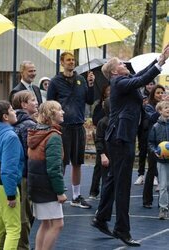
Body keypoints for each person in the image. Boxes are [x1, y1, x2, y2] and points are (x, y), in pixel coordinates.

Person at [91, 47, 169, 247]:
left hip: (118, 137)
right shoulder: (119, 82)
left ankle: (101, 218)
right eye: (120, 63)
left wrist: (160, 60)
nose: (124, 64)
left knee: (113, 180)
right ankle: (122, 230)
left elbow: (141, 76)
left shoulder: (123, 81)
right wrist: (159, 63)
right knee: (123, 185)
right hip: (120, 138)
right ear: (114, 72)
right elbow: (140, 80)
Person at [47, 51, 95, 209]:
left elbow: (89, 100)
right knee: (61, 163)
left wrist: (91, 85)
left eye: (73, 60)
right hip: (62, 128)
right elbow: (49, 105)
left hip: (78, 127)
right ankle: (56, 194)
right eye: (68, 60)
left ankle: (76, 196)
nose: (71, 62)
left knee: (77, 163)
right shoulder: (55, 81)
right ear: (62, 62)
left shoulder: (82, 79)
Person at [27, 100, 67, 250]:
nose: (63, 112)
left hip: (36, 184)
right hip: (47, 186)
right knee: (57, 224)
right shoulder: (53, 136)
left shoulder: (36, 132)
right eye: (59, 110)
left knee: (46, 222)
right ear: (51, 114)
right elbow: (54, 168)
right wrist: (59, 192)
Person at [0, 100, 24, 250]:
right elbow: (8, 169)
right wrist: (11, 194)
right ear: (5, 117)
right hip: (3, 186)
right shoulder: (10, 136)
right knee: (13, 229)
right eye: (12, 110)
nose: (15, 112)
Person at [12, 90, 38, 250]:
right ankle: (22, 246)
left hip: (15, 173)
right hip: (25, 174)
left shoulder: (14, 121)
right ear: (23, 104)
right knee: (25, 214)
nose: (36, 102)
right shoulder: (29, 124)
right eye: (33, 100)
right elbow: (31, 151)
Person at [142, 84, 165, 208]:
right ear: (153, 94)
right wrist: (160, 108)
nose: (160, 95)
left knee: (164, 173)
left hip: (165, 142)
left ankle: (163, 202)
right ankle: (147, 200)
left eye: (162, 93)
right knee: (152, 170)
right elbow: (151, 118)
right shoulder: (149, 107)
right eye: (158, 93)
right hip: (153, 142)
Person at [148, 100, 169, 220]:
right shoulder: (156, 127)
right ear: (160, 111)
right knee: (163, 185)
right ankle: (163, 209)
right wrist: (155, 150)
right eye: (166, 107)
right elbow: (150, 142)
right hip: (162, 161)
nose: (168, 109)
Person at [89, 85, 110, 199]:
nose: (110, 92)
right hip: (101, 137)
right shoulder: (99, 106)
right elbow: (95, 120)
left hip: (111, 141)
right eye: (108, 90)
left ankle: (107, 192)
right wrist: (104, 108)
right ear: (104, 93)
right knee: (99, 165)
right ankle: (94, 190)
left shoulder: (117, 105)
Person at [134, 81, 155, 185]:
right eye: (148, 84)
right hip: (142, 128)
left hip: (153, 129)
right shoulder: (141, 95)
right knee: (142, 152)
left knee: (154, 153)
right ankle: (140, 175)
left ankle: (155, 175)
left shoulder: (156, 97)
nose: (150, 86)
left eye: (152, 84)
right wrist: (142, 105)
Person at [93, 97, 111, 196]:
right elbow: (98, 140)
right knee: (106, 181)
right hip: (107, 156)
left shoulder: (118, 120)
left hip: (116, 156)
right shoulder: (103, 122)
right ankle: (103, 206)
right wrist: (102, 154)